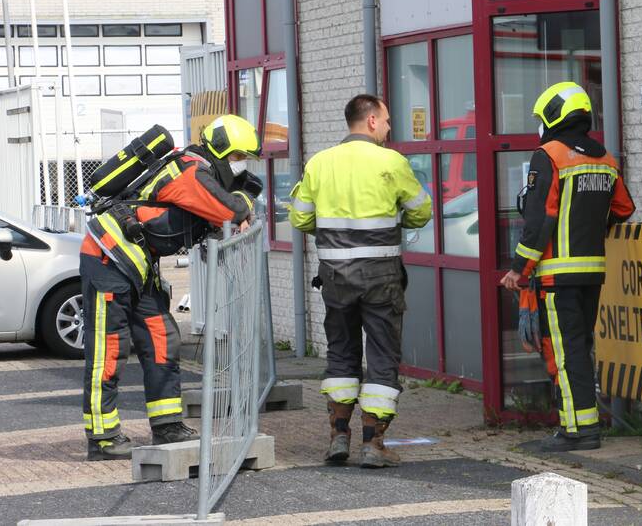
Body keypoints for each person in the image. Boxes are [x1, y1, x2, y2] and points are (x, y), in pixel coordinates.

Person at [82, 114, 262, 461]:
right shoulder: (189, 173)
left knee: (162, 338)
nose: (241, 167)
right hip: (108, 258)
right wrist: (246, 199)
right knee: (108, 351)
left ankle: (167, 424)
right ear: (223, 152)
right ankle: (102, 437)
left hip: (137, 263)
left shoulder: (200, 172)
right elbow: (228, 210)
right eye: (240, 158)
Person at [289, 94, 431, 468]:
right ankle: (373, 444)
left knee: (341, 352)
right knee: (382, 355)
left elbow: (300, 218)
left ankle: (338, 437)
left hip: (335, 275)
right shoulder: (391, 162)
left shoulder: (319, 163)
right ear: (370, 121)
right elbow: (421, 211)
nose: (388, 127)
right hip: (381, 275)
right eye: (385, 120)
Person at [500, 81, 635, 452]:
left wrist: (518, 269)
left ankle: (578, 431)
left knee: (566, 351)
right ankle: (580, 423)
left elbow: (540, 220)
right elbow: (623, 208)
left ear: (553, 116)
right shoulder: (605, 158)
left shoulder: (551, 155)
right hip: (592, 272)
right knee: (580, 347)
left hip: (557, 275)